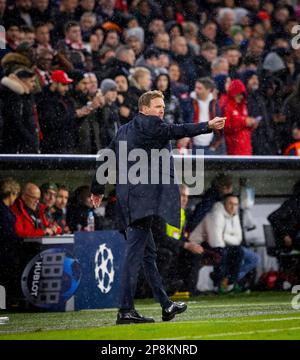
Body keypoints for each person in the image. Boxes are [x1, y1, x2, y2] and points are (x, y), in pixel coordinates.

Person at [91, 90, 225, 324]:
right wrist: (208, 125)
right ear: (143, 109)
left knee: (148, 255)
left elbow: (106, 158)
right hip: (142, 202)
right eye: (157, 106)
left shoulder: (123, 131)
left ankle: (166, 305)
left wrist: (97, 188)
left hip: (129, 201)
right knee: (134, 257)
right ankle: (125, 311)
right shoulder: (150, 126)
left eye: (163, 106)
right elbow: (176, 130)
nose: (161, 110)